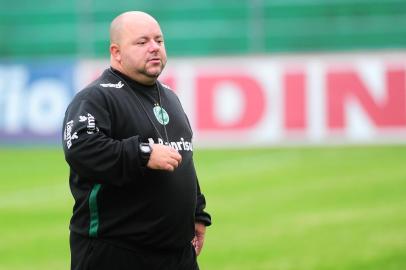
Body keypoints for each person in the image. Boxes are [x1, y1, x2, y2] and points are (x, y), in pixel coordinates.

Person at [62, 11, 211, 270]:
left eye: (159, 41)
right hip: (117, 252)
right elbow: (82, 148)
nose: (154, 48)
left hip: (177, 253)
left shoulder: (170, 97)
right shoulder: (96, 97)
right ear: (116, 52)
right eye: (142, 42)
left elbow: (183, 155)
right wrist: (143, 154)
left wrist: (197, 214)